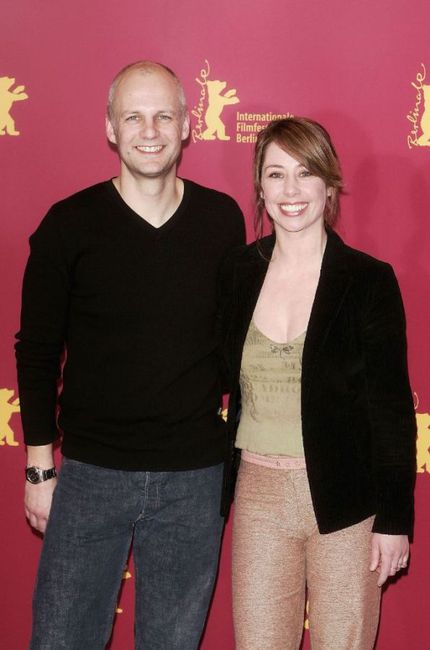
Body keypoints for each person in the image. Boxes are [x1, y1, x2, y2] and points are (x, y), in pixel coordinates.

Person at [16, 60, 245, 650]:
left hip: (194, 478)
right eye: (134, 116)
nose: (150, 129)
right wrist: (41, 470)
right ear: (111, 129)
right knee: (61, 640)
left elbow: (235, 343)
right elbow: (38, 352)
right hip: (90, 476)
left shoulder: (223, 220)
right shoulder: (69, 225)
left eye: (164, 114)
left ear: (188, 125)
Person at [219, 117, 416, 650]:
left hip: (347, 499)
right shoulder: (237, 272)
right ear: (259, 185)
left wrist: (395, 518)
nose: (290, 191)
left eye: (305, 174)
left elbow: (392, 410)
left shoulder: (368, 281)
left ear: (329, 184)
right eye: (275, 174)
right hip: (257, 496)